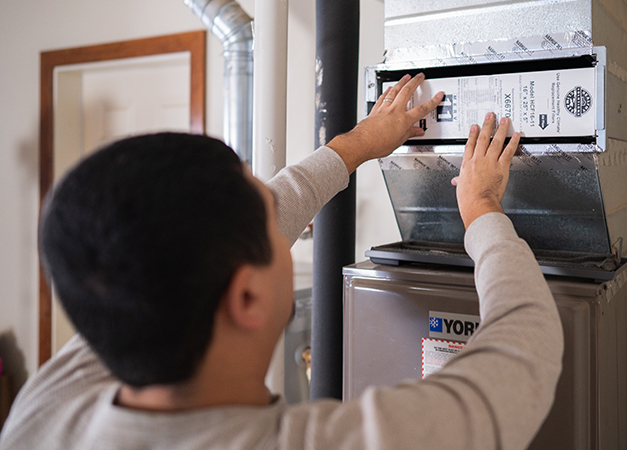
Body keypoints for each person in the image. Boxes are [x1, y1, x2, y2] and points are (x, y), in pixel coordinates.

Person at [0, 74, 563, 449]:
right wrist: (484, 208)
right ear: (245, 297)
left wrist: (356, 145)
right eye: (267, 221)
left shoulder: (45, 414)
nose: (279, 215)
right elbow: (523, 353)